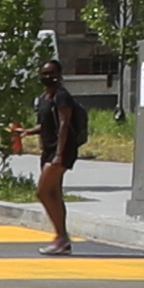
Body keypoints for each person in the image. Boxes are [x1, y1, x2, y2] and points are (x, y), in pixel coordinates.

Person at [30, 37, 94, 254]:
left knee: (43, 192)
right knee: (55, 193)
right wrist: (28, 132)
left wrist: (58, 155)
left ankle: (61, 236)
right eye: (44, 73)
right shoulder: (44, 97)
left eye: (52, 73)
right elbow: (47, 125)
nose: (47, 77)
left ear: (59, 75)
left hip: (60, 151)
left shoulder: (61, 96)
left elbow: (65, 124)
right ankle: (62, 239)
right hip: (48, 149)